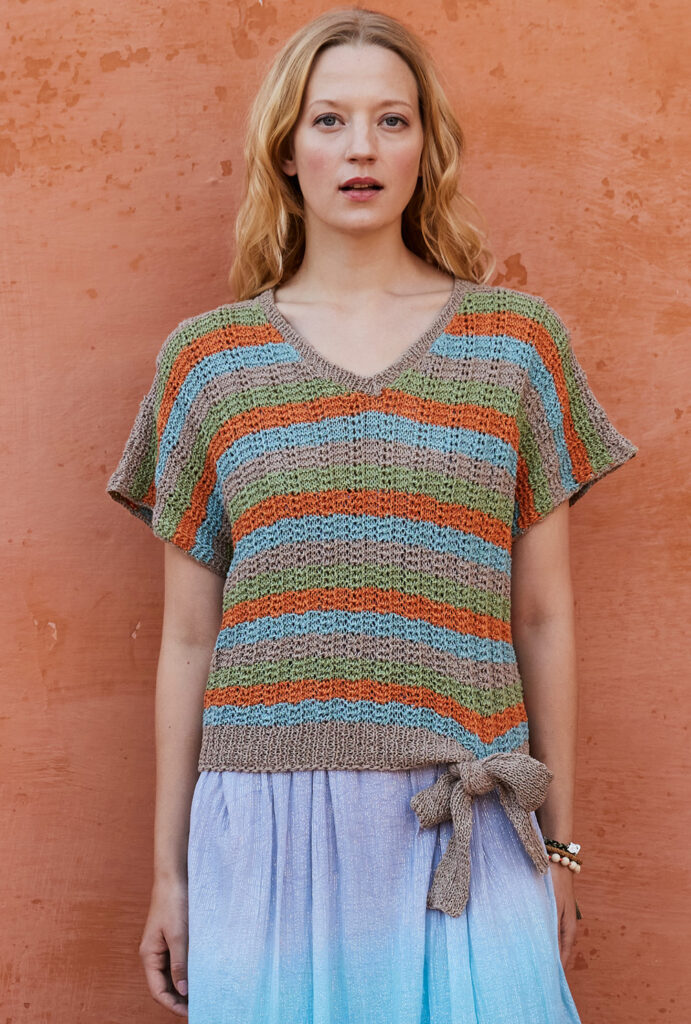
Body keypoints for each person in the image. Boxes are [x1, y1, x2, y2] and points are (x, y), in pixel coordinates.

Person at [106, 8, 638, 1023]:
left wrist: (561, 848)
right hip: (265, 827)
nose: (361, 148)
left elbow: (543, 618)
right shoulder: (209, 362)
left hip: (467, 824)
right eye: (330, 120)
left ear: (425, 149)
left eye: (391, 121)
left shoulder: (515, 348)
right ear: (286, 150)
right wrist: (170, 876)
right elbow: (186, 639)